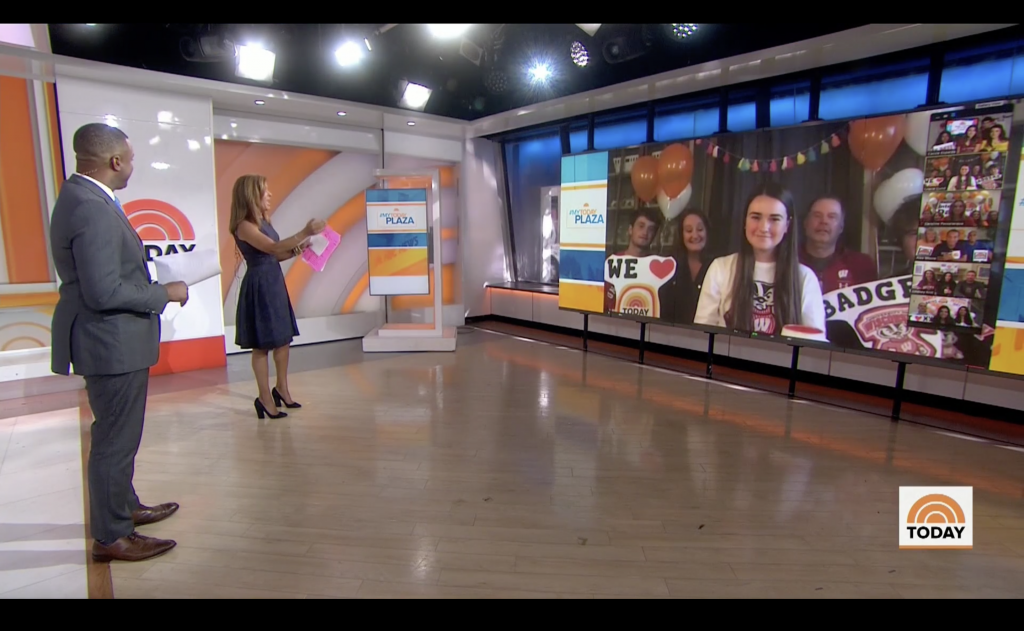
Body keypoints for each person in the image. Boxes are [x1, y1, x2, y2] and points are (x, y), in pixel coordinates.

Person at [49, 123, 188, 563]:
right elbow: (103, 292)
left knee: (120, 436)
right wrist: (164, 293)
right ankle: (112, 535)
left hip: (113, 340)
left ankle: (123, 507)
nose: (132, 165)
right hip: (109, 343)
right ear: (114, 162)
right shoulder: (89, 206)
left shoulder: (83, 198)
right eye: (130, 158)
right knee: (114, 439)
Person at [230, 174, 326, 419]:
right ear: (251, 196)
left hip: (273, 281)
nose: (270, 195)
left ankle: (281, 389)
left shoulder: (264, 222)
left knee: (283, 339)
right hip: (260, 285)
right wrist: (304, 231)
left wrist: (299, 248)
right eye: (264, 191)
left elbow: (277, 255)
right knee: (262, 345)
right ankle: (264, 398)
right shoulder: (244, 226)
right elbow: (271, 248)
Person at [695, 182, 825, 336]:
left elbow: (815, 346)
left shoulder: (805, 278)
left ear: (787, 225)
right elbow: (701, 334)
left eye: (774, 219)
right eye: (756, 217)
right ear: (745, 221)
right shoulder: (720, 268)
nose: (764, 227)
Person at [798, 196, 878, 293]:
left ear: (841, 227)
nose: (824, 221)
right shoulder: (786, 261)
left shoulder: (862, 264)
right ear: (806, 223)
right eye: (817, 215)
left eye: (832, 217)